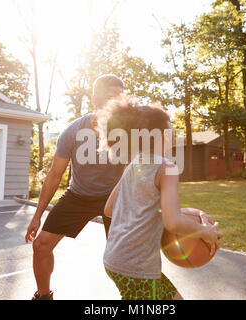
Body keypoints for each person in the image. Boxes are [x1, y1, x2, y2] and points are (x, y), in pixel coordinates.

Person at [97, 96, 222, 300]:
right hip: (135, 267)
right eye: (170, 124)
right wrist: (204, 232)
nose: (174, 129)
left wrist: (149, 215)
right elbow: (172, 221)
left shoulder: (133, 165)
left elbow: (109, 209)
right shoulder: (167, 168)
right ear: (161, 133)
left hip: (115, 259)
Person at [25, 74, 125, 300]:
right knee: (40, 245)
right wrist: (37, 215)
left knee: (122, 257)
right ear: (94, 100)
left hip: (115, 195)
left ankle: (133, 299)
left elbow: (135, 173)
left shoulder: (127, 132)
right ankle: (43, 297)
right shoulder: (73, 132)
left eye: (120, 98)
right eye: (110, 98)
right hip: (79, 195)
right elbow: (54, 175)